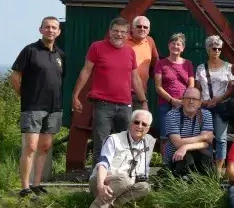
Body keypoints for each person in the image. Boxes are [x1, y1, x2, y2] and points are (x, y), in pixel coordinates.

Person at [72, 17, 148, 167]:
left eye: (122, 32)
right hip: (103, 105)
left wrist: (144, 102)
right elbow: (86, 72)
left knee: (125, 144)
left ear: (127, 35)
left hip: (126, 105)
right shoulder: (97, 47)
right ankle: (98, 182)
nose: (119, 34)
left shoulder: (130, 52)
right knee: (101, 144)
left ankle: (121, 181)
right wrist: (75, 96)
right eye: (115, 31)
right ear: (109, 32)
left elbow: (136, 79)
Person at [11, 16, 65, 198]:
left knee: (45, 147)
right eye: (47, 27)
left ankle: (37, 184)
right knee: (31, 147)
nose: (50, 30)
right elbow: (16, 76)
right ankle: (24, 187)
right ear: (40, 30)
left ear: (59, 32)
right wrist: (23, 96)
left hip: (54, 107)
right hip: (33, 106)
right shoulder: (29, 50)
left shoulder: (60, 54)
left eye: (54, 27)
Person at [84, 110, 156, 208]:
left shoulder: (149, 141)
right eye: (136, 122)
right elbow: (103, 164)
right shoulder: (114, 139)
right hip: (103, 180)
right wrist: (100, 185)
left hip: (126, 185)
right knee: (124, 179)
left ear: (148, 128)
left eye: (144, 124)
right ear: (130, 123)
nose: (140, 126)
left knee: (145, 187)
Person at [195, 35, 234, 176]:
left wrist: (218, 99)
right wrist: (200, 103)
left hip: (222, 106)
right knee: (205, 137)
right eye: (214, 48)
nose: (217, 51)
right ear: (208, 49)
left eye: (219, 48)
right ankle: (206, 167)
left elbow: (231, 88)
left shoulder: (228, 67)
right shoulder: (201, 68)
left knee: (221, 138)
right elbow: (197, 89)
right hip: (205, 106)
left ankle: (219, 170)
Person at [154, 33, 195, 158]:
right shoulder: (161, 64)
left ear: (183, 48)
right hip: (166, 104)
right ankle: (166, 165)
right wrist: (172, 100)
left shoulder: (188, 64)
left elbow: (191, 86)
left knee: (184, 135)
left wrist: (184, 101)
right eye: (173, 43)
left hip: (184, 105)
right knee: (165, 136)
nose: (175, 46)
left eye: (178, 44)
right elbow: (158, 87)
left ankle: (181, 164)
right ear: (168, 45)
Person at [163, 87, 214, 177]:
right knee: (187, 158)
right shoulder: (172, 115)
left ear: (200, 103)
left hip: (197, 155)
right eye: (187, 98)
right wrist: (203, 137)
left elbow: (206, 144)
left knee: (207, 157)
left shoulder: (206, 115)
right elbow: (178, 143)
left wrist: (186, 147)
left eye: (194, 99)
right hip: (175, 158)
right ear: (182, 100)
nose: (191, 101)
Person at [125, 16, 160, 110]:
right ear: (132, 28)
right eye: (139, 26)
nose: (142, 29)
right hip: (123, 92)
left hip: (140, 93)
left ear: (149, 30)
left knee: (139, 123)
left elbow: (155, 63)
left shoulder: (150, 41)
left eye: (145, 27)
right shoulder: (123, 40)